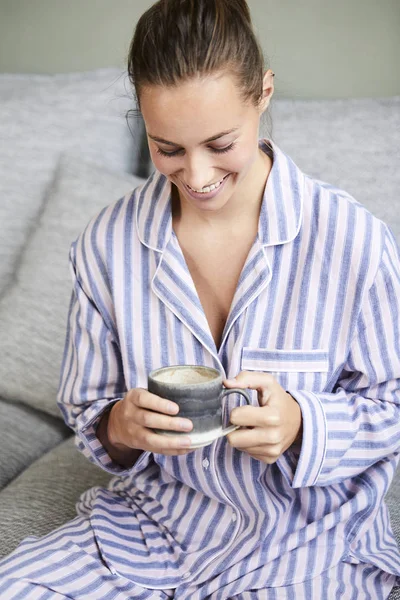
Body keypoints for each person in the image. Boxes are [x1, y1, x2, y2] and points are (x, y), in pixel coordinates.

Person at [1, 0, 400, 598]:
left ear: (262, 95)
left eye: (220, 143)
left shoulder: (354, 240)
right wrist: (123, 425)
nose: (197, 174)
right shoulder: (104, 248)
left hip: (308, 538)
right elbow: (89, 412)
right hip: (151, 531)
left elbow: (390, 404)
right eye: (168, 149)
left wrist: (301, 422)